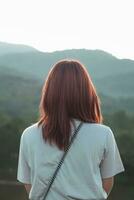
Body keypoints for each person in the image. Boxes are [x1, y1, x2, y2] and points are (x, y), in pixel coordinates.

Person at [17, 59, 125, 200]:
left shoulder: (29, 135)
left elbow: (29, 183)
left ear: (49, 92)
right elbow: (107, 183)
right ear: (86, 91)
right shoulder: (103, 134)